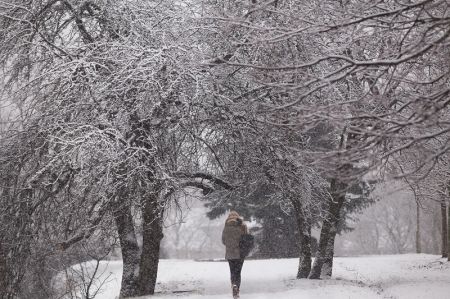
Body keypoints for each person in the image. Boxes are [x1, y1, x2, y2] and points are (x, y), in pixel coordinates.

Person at [222, 211, 248, 299]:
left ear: (229, 218)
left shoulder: (226, 227)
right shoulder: (242, 226)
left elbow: (223, 241)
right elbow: (247, 239)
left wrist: (230, 245)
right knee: (238, 272)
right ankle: (237, 289)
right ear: (238, 217)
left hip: (230, 254)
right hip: (240, 254)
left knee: (232, 271)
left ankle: (233, 285)